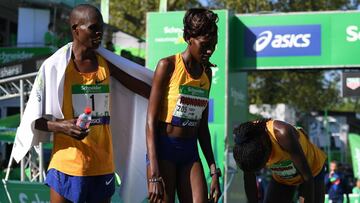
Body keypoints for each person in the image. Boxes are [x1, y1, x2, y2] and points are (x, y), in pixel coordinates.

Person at [32, 4, 150, 203]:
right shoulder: (56, 67)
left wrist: (169, 93)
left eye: (101, 28)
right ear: (76, 29)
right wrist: (61, 126)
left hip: (101, 166)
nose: (99, 33)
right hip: (65, 165)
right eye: (93, 28)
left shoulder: (106, 64)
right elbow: (34, 120)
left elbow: (144, 90)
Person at [146, 8, 221, 203]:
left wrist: (213, 171)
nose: (210, 51)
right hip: (164, 150)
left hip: (190, 151)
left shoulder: (207, 74)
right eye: (205, 45)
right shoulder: (167, 66)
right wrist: (154, 172)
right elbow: (150, 122)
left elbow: (202, 127)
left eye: (213, 46)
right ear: (189, 38)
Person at [233, 119, 327, 203]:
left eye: (265, 162)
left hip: (312, 171)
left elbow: (307, 177)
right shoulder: (244, 148)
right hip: (283, 178)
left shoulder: (282, 133)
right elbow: (250, 183)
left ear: (265, 146)